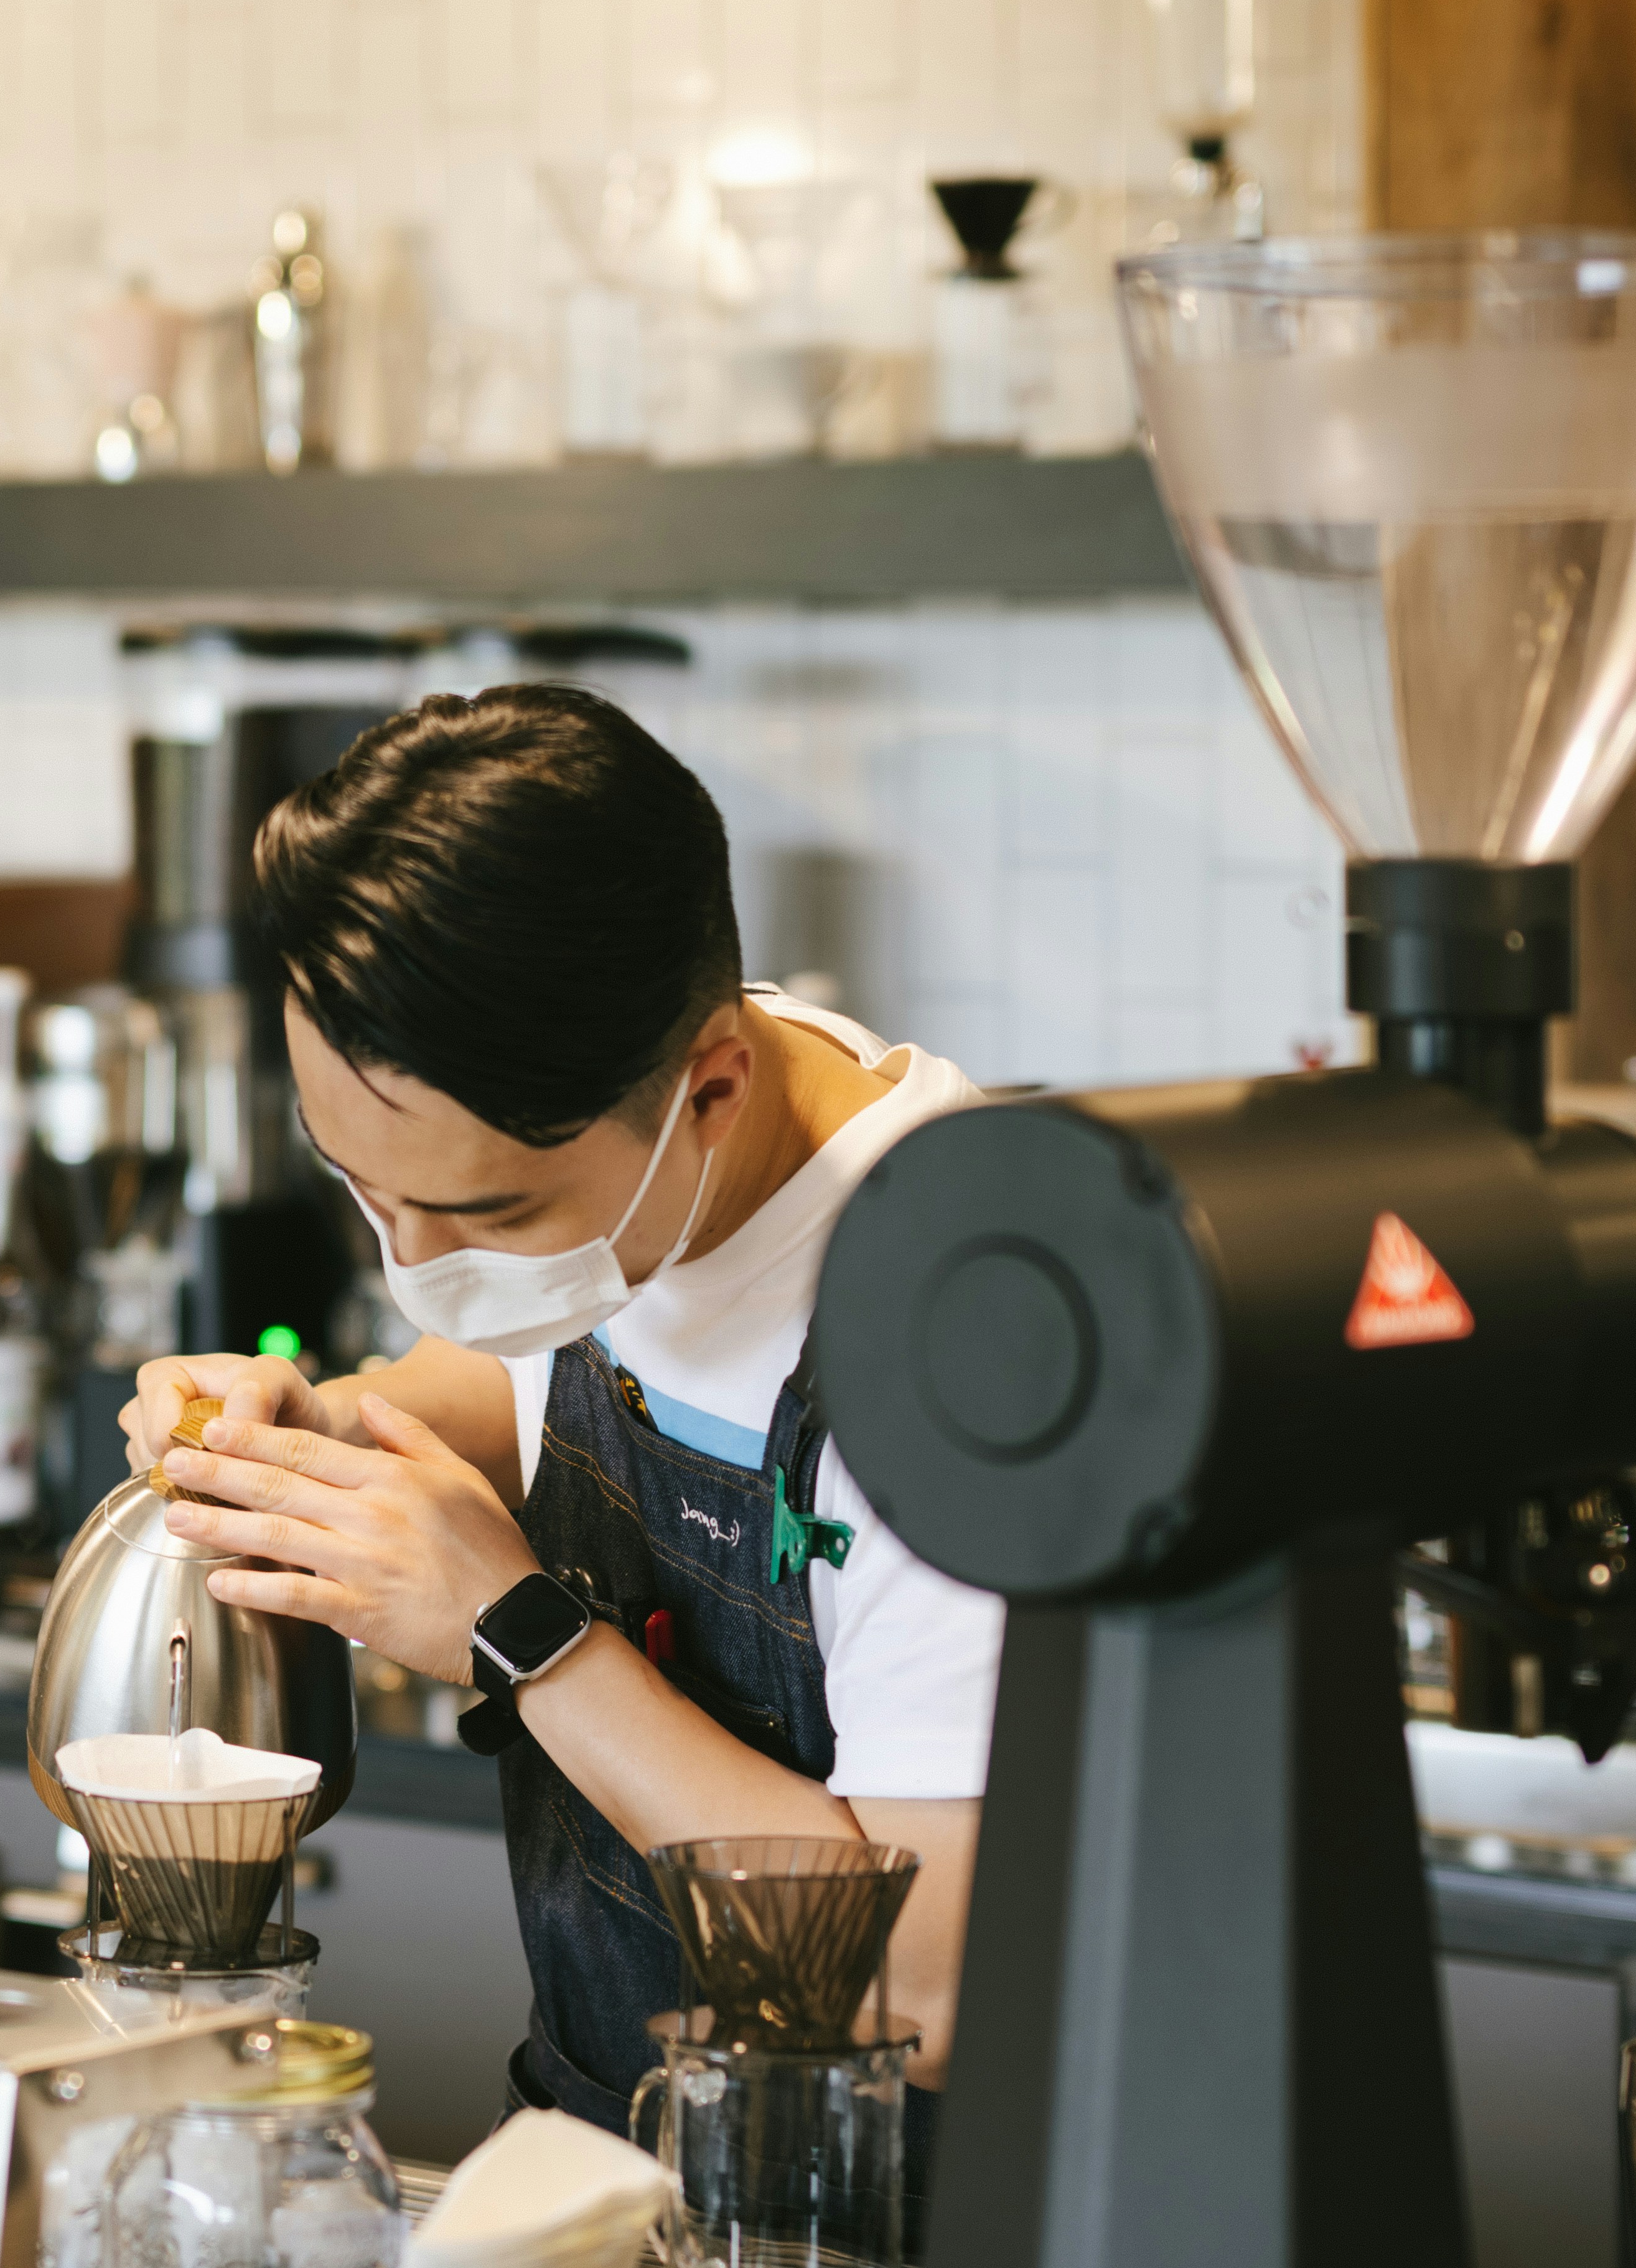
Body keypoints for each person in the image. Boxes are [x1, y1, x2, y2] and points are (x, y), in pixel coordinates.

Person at [120, 685, 1003, 2130]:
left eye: (486, 1213)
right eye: (364, 1187)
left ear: (712, 1087)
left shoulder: (962, 1339)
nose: (413, 1264)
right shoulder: (651, 1121)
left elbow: (924, 1988)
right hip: (616, 2172)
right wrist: (329, 1431)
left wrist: (519, 1634)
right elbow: (534, 1378)